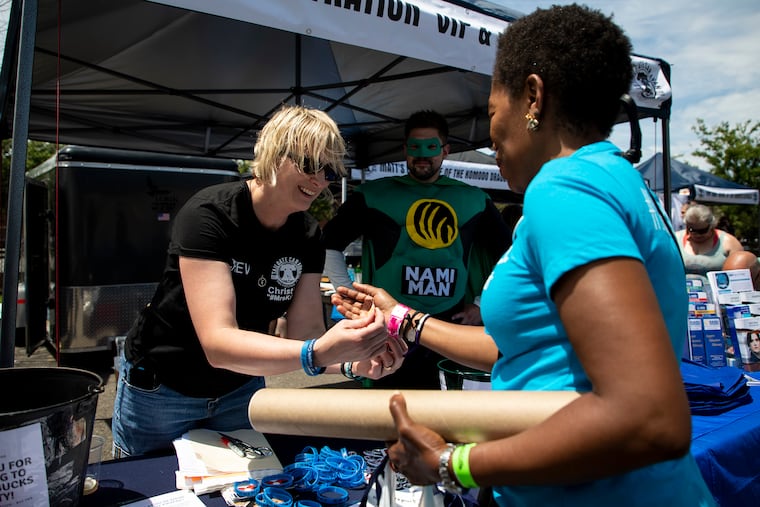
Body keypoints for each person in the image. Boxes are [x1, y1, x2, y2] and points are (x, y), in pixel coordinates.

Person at [332, 5, 715, 505]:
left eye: (492, 110)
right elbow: (523, 345)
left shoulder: (566, 187)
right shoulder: (616, 178)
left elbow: (648, 418)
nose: (490, 138)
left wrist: (452, 465)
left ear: (533, 97)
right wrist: (402, 318)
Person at [112, 105, 405, 457]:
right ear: (274, 153)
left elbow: (306, 336)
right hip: (164, 389)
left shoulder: (308, 234)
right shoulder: (210, 214)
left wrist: (356, 361)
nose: (319, 180)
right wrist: (321, 350)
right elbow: (219, 344)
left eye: (328, 171)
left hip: (239, 389)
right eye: (309, 164)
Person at [321, 110, 511, 389]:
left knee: (448, 419)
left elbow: (510, 257)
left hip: (451, 327)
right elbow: (328, 243)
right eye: (415, 147)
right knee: (388, 417)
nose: (423, 155)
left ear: (445, 151)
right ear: (405, 150)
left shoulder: (474, 200)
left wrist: (480, 306)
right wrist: (348, 293)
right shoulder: (374, 195)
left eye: (431, 147)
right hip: (390, 329)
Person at [675, 203, 744, 276]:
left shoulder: (729, 242)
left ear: (712, 225)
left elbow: (739, 275)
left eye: (702, 231)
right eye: (692, 230)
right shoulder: (675, 239)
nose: (697, 235)